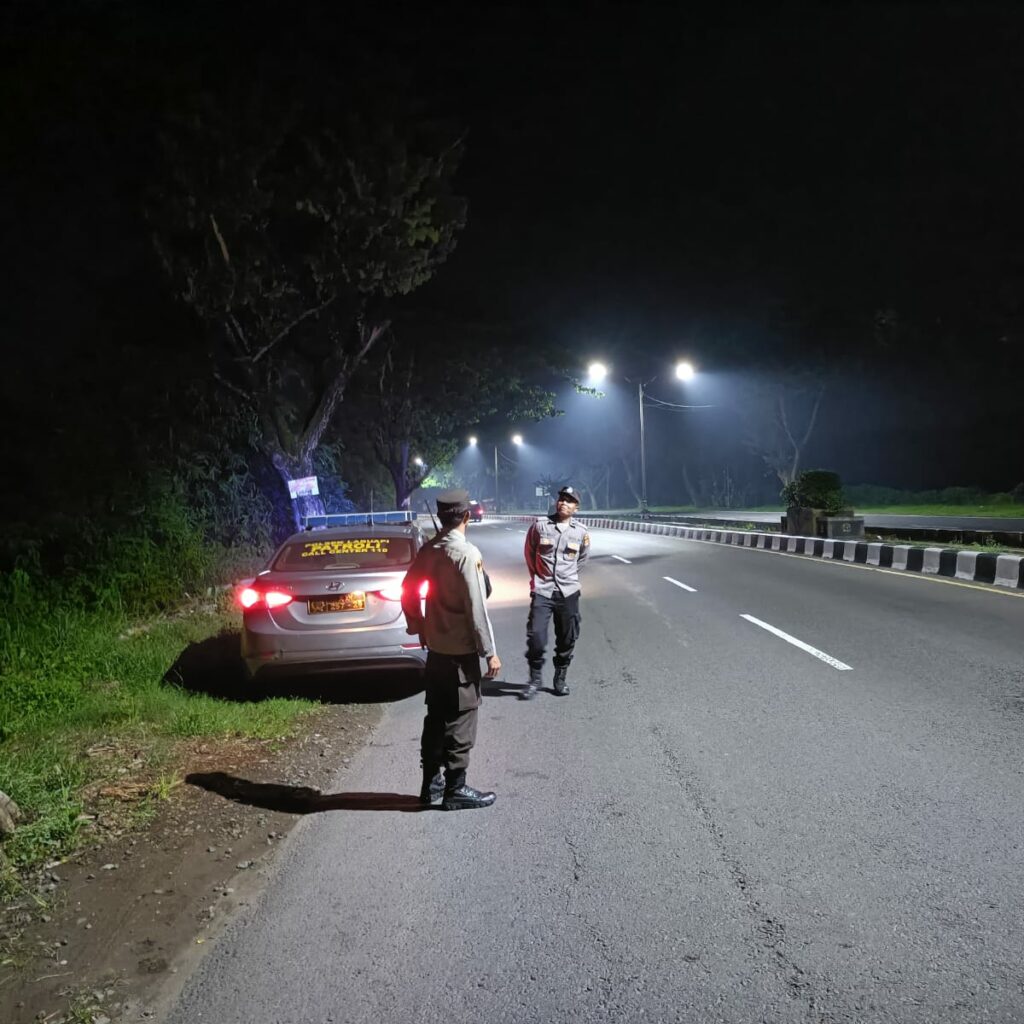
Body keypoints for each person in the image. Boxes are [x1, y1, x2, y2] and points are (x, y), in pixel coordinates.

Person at [402, 489, 501, 810]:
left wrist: (417, 625)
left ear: (442, 517)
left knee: (436, 715)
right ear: (467, 517)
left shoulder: (429, 551)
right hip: (461, 652)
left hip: (436, 651)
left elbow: (406, 591)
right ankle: (455, 788)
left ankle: (430, 783)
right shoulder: (466, 554)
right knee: (462, 716)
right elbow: (476, 608)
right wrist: (490, 651)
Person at [522, 485, 590, 699]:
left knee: (567, 638)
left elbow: (582, 558)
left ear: (576, 508)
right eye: (561, 498)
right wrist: (537, 578)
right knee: (536, 637)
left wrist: (567, 577)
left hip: (568, 592)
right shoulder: (541, 526)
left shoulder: (580, 532)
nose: (563, 503)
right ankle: (534, 678)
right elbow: (529, 553)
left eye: (569, 500)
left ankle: (560, 678)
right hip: (543, 590)